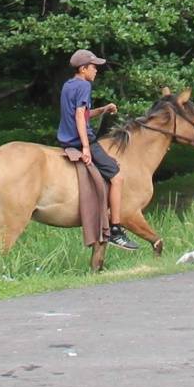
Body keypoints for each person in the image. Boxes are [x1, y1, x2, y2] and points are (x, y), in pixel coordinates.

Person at [57, 49, 138, 250]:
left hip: (66, 140)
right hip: (80, 141)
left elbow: (83, 113)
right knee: (117, 177)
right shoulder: (84, 85)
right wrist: (85, 146)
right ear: (83, 69)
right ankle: (116, 230)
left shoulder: (68, 85)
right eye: (93, 67)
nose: (96, 71)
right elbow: (78, 116)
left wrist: (102, 110)